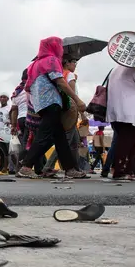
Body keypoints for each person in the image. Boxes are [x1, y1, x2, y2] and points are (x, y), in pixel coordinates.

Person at [17, 37, 86, 179]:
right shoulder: (51, 60)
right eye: (59, 46)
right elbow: (60, 82)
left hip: (41, 104)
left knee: (60, 138)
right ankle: (26, 166)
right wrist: (77, 100)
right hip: (51, 103)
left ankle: (69, 169)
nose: (60, 49)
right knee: (43, 136)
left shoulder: (35, 63)